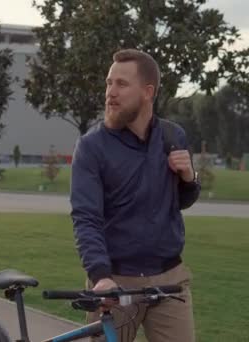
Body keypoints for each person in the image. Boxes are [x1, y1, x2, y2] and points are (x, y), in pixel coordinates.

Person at [70, 49, 200, 342]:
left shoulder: (172, 136)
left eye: (121, 84)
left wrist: (190, 179)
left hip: (169, 281)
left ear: (147, 92)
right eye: (108, 83)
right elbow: (86, 217)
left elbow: (179, 201)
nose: (110, 92)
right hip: (115, 282)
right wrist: (100, 275)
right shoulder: (92, 147)